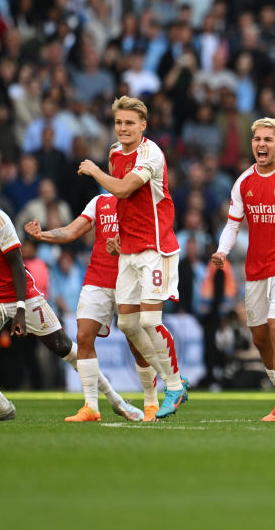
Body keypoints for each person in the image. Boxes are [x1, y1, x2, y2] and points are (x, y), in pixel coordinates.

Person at [0, 166, 132, 421]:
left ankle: (116, 400)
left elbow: (17, 264)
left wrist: (20, 308)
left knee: (63, 346)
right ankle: (2, 407)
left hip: (22, 294)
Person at [77, 96, 188, 419]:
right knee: (126, 322)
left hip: (156, 249)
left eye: (129, 123)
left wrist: (95, 172)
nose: (123, 128)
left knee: (150, 321)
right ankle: (175, 382)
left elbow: (124, 190)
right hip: (129, 250)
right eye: (119, 123)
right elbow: (127, 205)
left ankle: (174, 385)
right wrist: (119, 234)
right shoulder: (115, 153)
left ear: (143, 125)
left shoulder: (151, 153)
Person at [211, 117, 275, 422]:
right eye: (257, 139)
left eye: (268, 139)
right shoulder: (244, 181)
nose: (262, 144)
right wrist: (221, 251)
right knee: (259, 338)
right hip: (256, 268)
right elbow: (233, 224)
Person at [25, 193, 153, 422]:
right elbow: (72, 231)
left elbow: (153, 240)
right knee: (83, 337)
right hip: (97, 278)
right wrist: (42, 234)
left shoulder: (142, 200)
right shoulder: (99, 201)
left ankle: (151, 403)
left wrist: (124, 246)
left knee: (136, 344)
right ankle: (91, 407)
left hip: (130, 279)